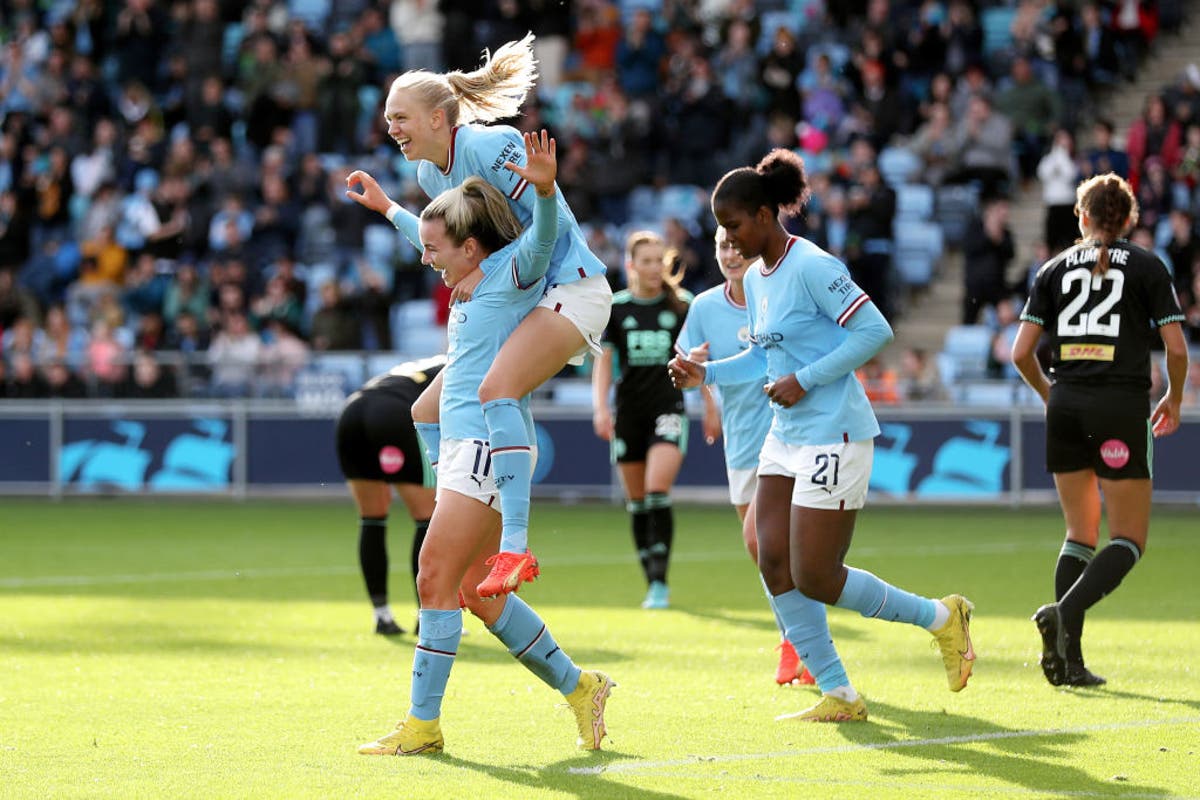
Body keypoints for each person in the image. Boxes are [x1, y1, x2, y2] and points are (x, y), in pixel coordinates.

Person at [668, 149, 975, 723]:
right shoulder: (758, 280)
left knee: (817, 574)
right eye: (721, 230)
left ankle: (942, 618)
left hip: (834, 433)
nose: (728, 241)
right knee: (772, 561)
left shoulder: (812, 265)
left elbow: (874, 330)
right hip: (785, 437)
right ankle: (839, 692)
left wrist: (805, 380)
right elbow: (760, 362)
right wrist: (704, 374)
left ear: (764, 214)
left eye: (734, 226)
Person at [354, 131, 614, 757]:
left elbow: (545, 237)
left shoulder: (509, 272)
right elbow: (428, 232)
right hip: (467, 449)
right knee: (474, 593)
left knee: (432, 577)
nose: (427, 258)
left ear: (472, 248)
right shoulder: (469, 273)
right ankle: (582, 689)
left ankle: (423, 726)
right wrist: (387, 206)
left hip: (484, 449)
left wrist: (547, 190)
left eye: (438, 251)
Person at [346, 34, 612, 600]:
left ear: (440, 119)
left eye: (401, 117)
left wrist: (486, 275)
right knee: (426, 407)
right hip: (522, 297)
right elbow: (440, 241)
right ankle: (460, 500)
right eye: (388, 117)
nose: (391, 127)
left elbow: (551, 232)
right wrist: (387, 208)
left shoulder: (492, 146)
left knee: (498, 390)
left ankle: (515, 544)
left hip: (570, 288)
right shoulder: (428, 178)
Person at [1011, 173, 1188, 687]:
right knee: (1128, 538)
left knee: (1078, 535)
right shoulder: (1150, 267)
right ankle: (1063, 615)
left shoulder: (1052, 268)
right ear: (1129, 218)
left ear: (1082, 217)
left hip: (1066, 403)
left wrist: (1050, 396)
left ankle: (1069, 663)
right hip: (1120, 406)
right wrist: (1174, 397)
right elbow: (1177, 349)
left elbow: (1021, 352)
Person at [675, 226, 814, 685]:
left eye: (737, 245)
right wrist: (703, 390)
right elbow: (685, 369)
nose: (731, 255)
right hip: (740, 444)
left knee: (785, 549)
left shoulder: (774, 297)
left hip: (789, 438)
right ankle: (795, 643)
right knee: (765, 555)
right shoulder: (704, 307)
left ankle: (804, 647)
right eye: (722, 247)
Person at [592, 231, 690, 610]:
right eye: (645, 261)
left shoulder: (681, 305)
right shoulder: (616, 308)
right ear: (632, 265)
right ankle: (651, 580)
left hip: (668, 408)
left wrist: (712, 405)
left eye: (658, 261)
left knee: (656, 489)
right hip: (629, 413)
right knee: (636, 502)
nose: (653, 268)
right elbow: (604, 363)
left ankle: (661, 583)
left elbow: (699, 357)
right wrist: (600, 408)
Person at [334, 355, 444, 636]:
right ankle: (428, 618)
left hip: (352, 411)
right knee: (427, 518)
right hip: (394, 413)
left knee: (372, 517)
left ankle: (382, 616)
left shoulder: (421, 365)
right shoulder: (464, 361)